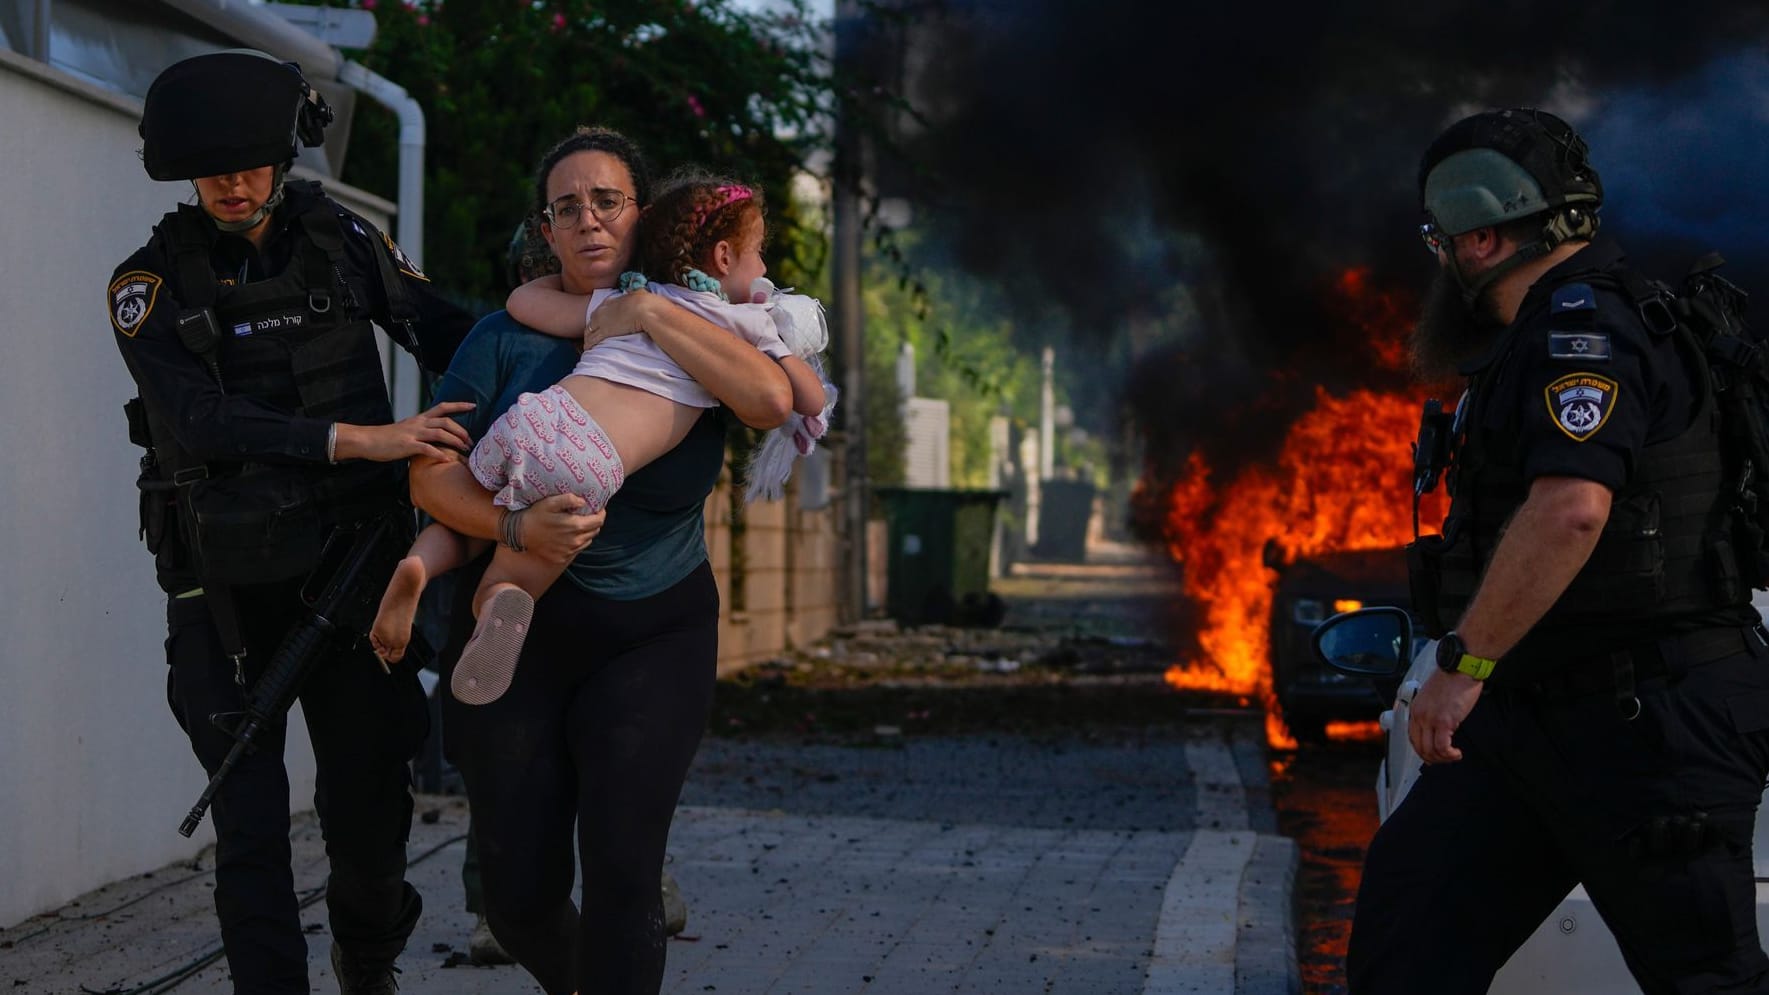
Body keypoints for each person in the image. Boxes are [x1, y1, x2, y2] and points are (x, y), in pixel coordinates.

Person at [1350, 107, 1769, 994]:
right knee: (1405, 942)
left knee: (1704, 979)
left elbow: (1571, 509)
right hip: (1532, 720)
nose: (1441, 259)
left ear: (1483, 239)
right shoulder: (1559, 329)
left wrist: (1460, 665)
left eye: (1442, 238)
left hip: (1651, 721)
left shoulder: (1581, 333)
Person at [111, 52, 477, 994]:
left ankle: (367, 958)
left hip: (352, 571)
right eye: (214, 167)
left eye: (251, 163)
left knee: (367, 813)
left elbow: (444, 333)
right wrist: (357, 439)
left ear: (284, 156)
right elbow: (200, 420)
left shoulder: (340, 240)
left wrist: (572, 356)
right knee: (252, 820)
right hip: (223, 587)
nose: (234, 184)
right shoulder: (149, 283)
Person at [408, 126, 792, 995]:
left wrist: (650, 309)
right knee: (516, 896)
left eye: (606, 202)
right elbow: (431, 473)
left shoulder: (700, 320)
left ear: (644, 215)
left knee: (624, 867)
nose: (587, 222)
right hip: (516, 630)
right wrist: (514, 534)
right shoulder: (503, 336)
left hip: (653, 632)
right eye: (565, 208)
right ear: (546, 229)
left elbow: (772, 399)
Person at [370, 169, 833, 706]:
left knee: (470, 513)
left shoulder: (629, 300)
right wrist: (784, 341)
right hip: (590, 461)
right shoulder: (741, 325)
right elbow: (804, 398)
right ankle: (498, 599)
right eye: (760, 257)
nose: (765, 270)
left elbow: (524, 303)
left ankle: (419, 566)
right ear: (726, 259)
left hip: (537, 418)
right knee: (519, 567)